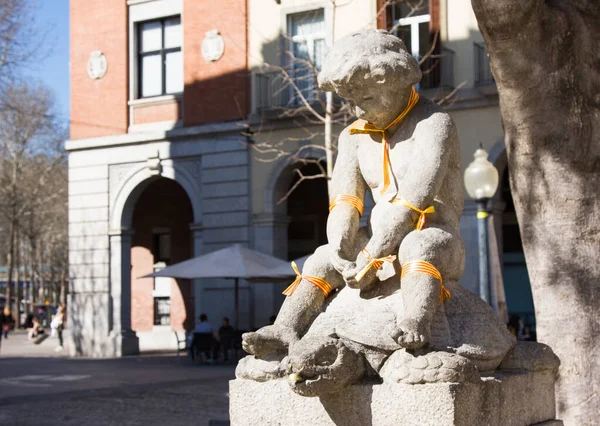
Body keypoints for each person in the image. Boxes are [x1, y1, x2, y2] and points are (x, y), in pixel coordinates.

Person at [243, 29, 464, 358]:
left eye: (368, 99)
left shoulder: (433, 124)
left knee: (419, 245)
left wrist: (372, 256)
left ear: (396, 81)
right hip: (376, 239)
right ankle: (285, 327)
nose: (358, 109)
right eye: (350, 100)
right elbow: (345, 200)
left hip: (434, 234)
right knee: (319, 258)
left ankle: (416, 320)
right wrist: (341, 246)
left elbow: (415, 200)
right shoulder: (353, 136)